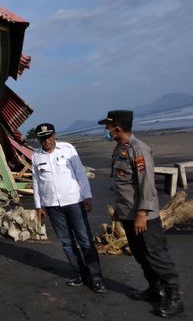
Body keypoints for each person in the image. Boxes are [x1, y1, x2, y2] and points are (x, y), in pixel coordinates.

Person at [99, 110, 184, 318]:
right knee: (140, 254)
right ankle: (155, 289)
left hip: (144, 217)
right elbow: (125, 186)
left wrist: (142, 214)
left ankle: (174, 298)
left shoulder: (139, 150)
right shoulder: (120, 149)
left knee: (157, 255)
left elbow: (147, 186)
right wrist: (120, 209)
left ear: (117, 128)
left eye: (108, 127)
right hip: (128, 214)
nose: (106, 130)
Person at [31, 123, 106, 293]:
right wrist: (38, 205)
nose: (46, 140)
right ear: (39, 139)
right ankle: (81, 274)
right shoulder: (36, 156)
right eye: (42, 138)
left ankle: (96, 278)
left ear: (55, 135)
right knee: (66, 243)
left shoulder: (67, 149)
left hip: (74, 201)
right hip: (52, 206)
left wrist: (87, 195)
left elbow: (80, 172)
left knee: (85, 240)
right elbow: (36, 181)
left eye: (49, 136)